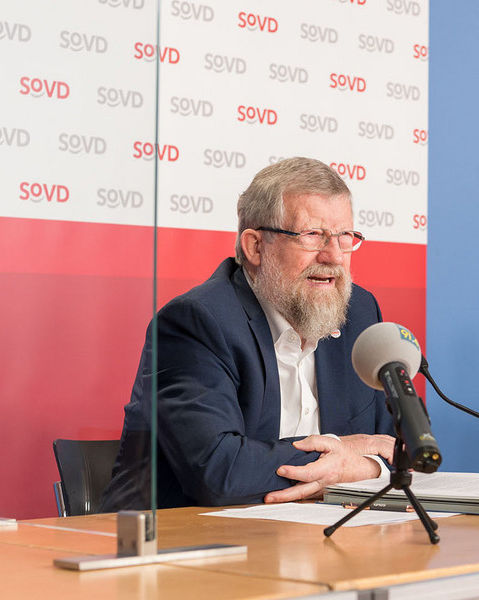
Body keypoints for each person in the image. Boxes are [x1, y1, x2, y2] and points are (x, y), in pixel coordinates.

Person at [100, 157, 396, 510]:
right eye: (312, 235)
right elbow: (220, 472)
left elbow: (408, 450)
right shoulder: (196, 323)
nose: (333, 256)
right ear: (255, 247)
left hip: (313, 543)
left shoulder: (358, 312)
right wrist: (343, 458)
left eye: (345, 237)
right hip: (179, 546)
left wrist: (361, 465)